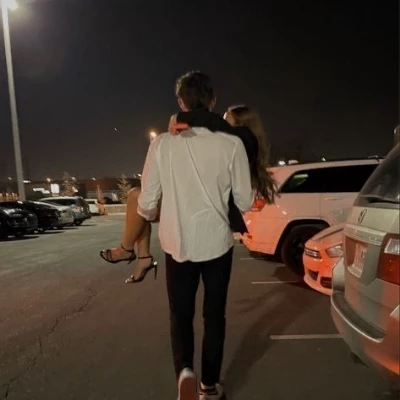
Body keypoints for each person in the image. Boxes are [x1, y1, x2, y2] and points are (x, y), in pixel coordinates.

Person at [99, 106, 276, 285]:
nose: (221, 124)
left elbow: (215, 127)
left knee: (137, 198)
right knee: (140, 200)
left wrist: (183, 117)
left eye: (226, 121)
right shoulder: (235, 143)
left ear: (241, 125)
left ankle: (128, 250)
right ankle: (141, 256)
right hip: (204, 207)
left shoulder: (240, 142)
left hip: (211, 212)